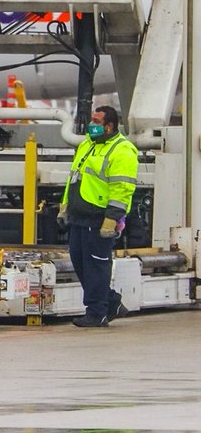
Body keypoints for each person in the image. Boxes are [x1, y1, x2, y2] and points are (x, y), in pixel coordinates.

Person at [57, 105, 137, 327]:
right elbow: (74, 178)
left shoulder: (123, 150)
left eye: (96, 121)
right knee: (81, 264)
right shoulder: (87, 144)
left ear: (109, 126)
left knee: (96, 267)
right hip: (79, 216)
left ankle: (96, 313)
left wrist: (111, 220)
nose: (91, 125)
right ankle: (110, 303)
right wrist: (64, 208)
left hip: (99, 218)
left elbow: (122, 190)